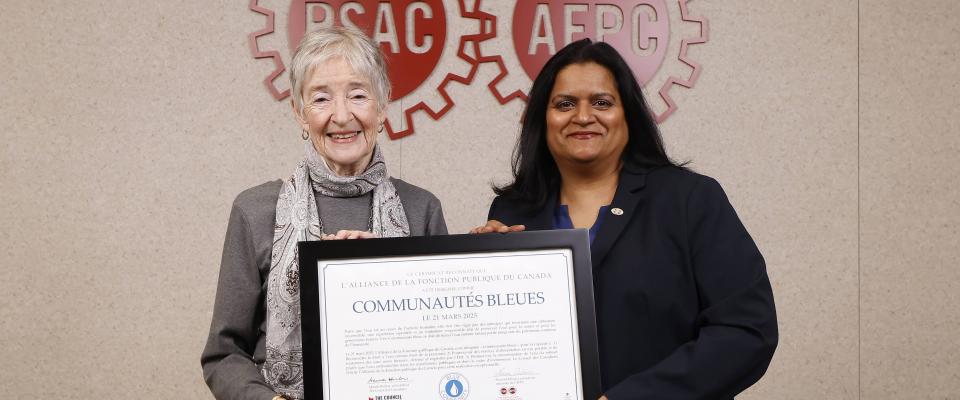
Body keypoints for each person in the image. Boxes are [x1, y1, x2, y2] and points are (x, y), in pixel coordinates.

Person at [472, 39, 777, 399]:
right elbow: (499, 349)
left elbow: (746, 330)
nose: (583, 116)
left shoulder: (690, 200)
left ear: (628, 114)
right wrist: (476, 275)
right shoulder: (511, 212)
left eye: (602, 102)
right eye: (565, 104)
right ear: (543, 117)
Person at [201, 26, 447, 400]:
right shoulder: (255, 210)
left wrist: (387, 270)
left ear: (382, 107)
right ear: (299, 113)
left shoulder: (422, 209)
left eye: (359, 95)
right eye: (321, 99)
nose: (342, 115)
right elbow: (223, 354)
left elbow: (445, 343)